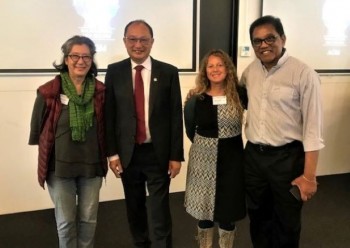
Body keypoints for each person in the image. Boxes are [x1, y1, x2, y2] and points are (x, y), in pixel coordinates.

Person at [240, 15, 325, 248]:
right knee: (258, 217)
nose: (264, 45)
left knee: (286, 221)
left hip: (287, 159)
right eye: (257, 41)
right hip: (254, 158)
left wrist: (309, 177)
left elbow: (312, 130)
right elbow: (243, 100)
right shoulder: (250, 71)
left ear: (283, 38)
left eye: (270, 38)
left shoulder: (303, 73)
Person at [104, 20, 184, 248]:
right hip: (128, 154)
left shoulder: (168, 72)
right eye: (133, 39)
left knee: (160, 210)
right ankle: (141, 244)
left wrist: (176, 155)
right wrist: (112, 154)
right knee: (134, 206)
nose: (138, 44)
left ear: (152, 42)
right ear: (124, 41)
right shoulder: (114, 71)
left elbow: (175, 116)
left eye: (143, 40)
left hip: (157, 153)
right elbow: (109, 116)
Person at [28, 35, 107, 248]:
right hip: (59, 168)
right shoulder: (49, 92)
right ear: (65, 59)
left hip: (91, 166)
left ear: (92, 60)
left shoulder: (100, 92)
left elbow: (107, 128)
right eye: (75, 56)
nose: (80, 61)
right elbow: (37, 128)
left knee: (88, 220)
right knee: (65, 223)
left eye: (86, 57)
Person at [184, 49, 247, 248]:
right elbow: (189, 130)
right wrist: (207, 145)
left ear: (227, 68)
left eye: (220, 65)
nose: (215, 69)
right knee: (204, 209)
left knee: (228, 209)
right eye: (210, 66)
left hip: (232, 159)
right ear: (205, 71)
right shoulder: (196, 98)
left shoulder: (240, 94)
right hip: (203, 159)